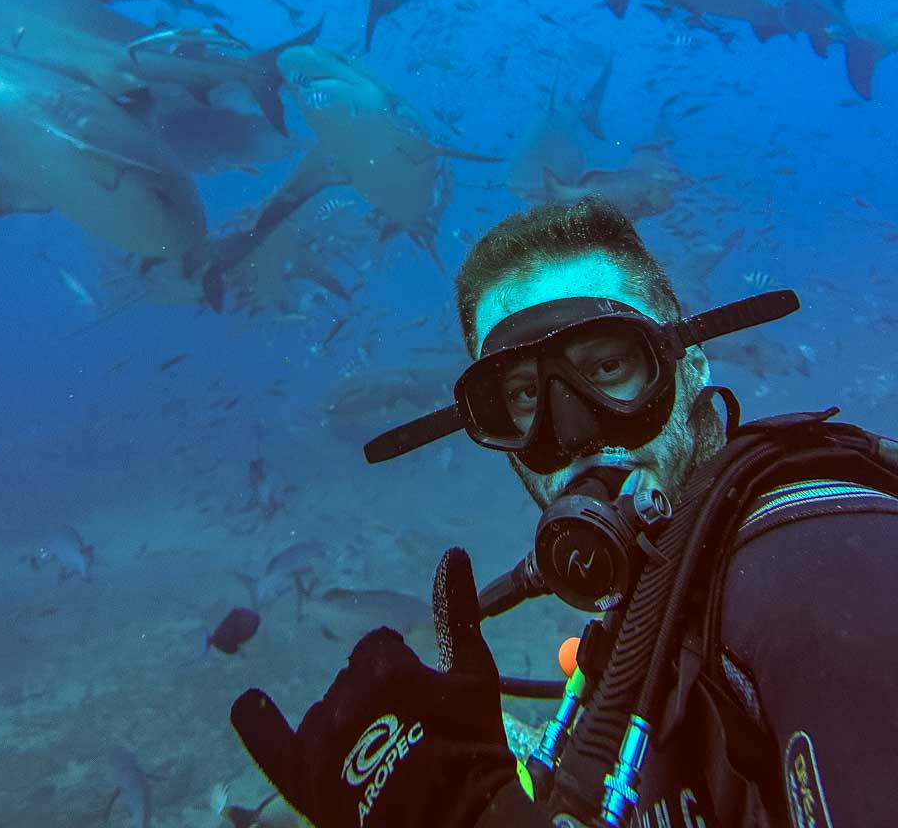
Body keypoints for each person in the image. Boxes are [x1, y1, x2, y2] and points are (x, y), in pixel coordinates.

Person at [231, 197, 898, 828]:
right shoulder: (660, 615)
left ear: (690, 366)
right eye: (524, 396)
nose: (575, 433)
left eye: (608, 366)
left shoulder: (820, 571)